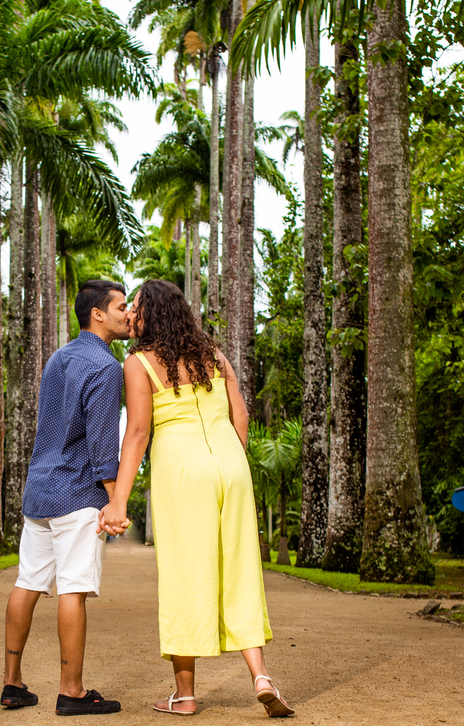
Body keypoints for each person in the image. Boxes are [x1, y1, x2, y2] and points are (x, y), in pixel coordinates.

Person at [100, 279, 294, 718]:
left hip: (183, 472)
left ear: (150, 314)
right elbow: (239, 413)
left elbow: (137, 433)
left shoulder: (138, 363)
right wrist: (231, 464)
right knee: (240, 567)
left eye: (135, 309)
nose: (130, 315)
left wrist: (119, 502)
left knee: (184, 575)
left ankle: (185, 697)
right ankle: (261, 676)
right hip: (231, 464)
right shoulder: (214, 355)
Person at [1, 280, 131, 716]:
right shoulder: (106, 366)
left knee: (28, 582)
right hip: (76, 493)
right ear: (98, 313)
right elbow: (101, 444)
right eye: (121, 307)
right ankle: (71, 691)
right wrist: (115, 501)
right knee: (73, 589)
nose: (127, 314)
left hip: (39, 490)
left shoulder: (58, 357)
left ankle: (12, 684)